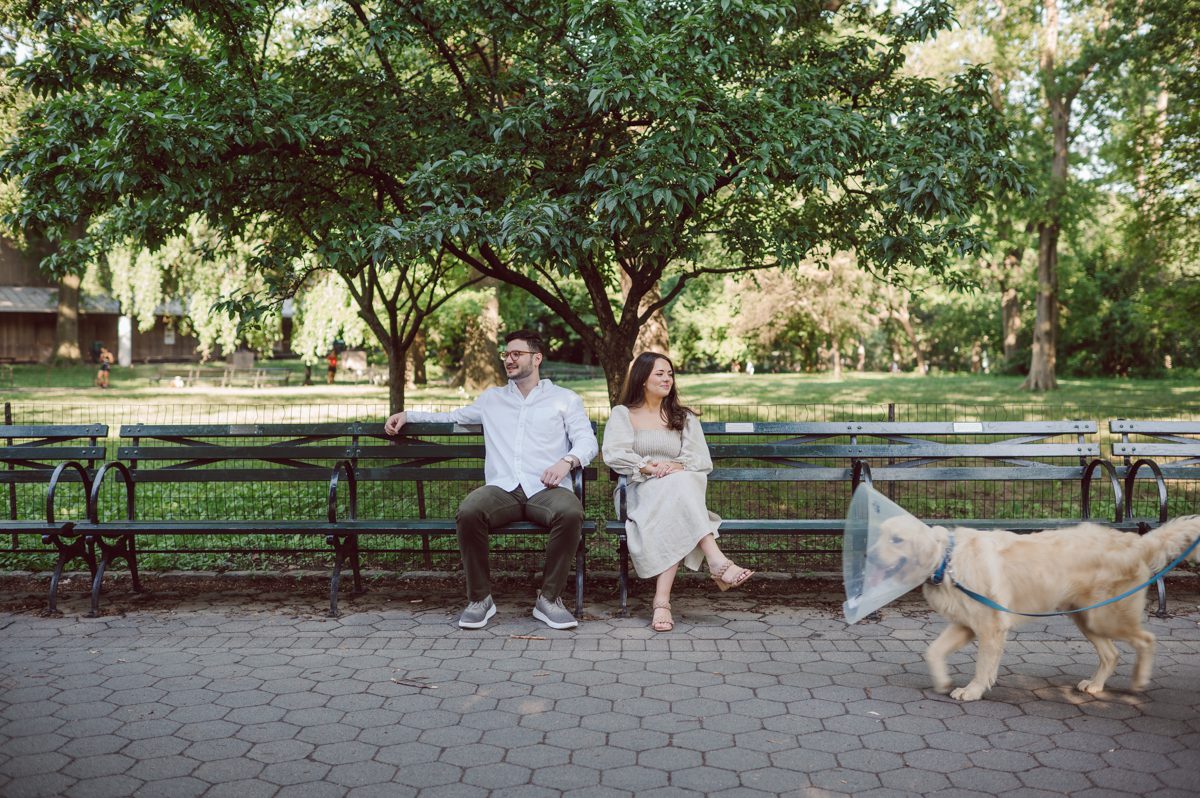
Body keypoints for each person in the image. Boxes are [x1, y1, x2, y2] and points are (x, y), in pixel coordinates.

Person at [383, 329, 598, 630]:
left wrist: (567, 462)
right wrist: (409, 415)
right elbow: (454, 417)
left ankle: (549, 599)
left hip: (545, 489)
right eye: (506, 355)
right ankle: (480, 599)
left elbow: (587, 442)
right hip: (503, 489)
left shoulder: (565, 399)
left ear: (537, 358)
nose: (508, 360)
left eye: (516, 354)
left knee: (571, 512)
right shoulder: (492, 400)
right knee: (470, 511)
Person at [602, 352, 753, 632]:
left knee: (679, 489)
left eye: (670, 374)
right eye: (659, 373)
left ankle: (662, 602)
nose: (667, 379)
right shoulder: (623, 414)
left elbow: (700, 461)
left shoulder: (682, 417)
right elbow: (614, 454)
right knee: (680, 491)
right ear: (642, 379)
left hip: (678, 490)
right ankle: (717, 560)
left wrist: (674, 465)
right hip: (639, 492)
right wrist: (648, 467)